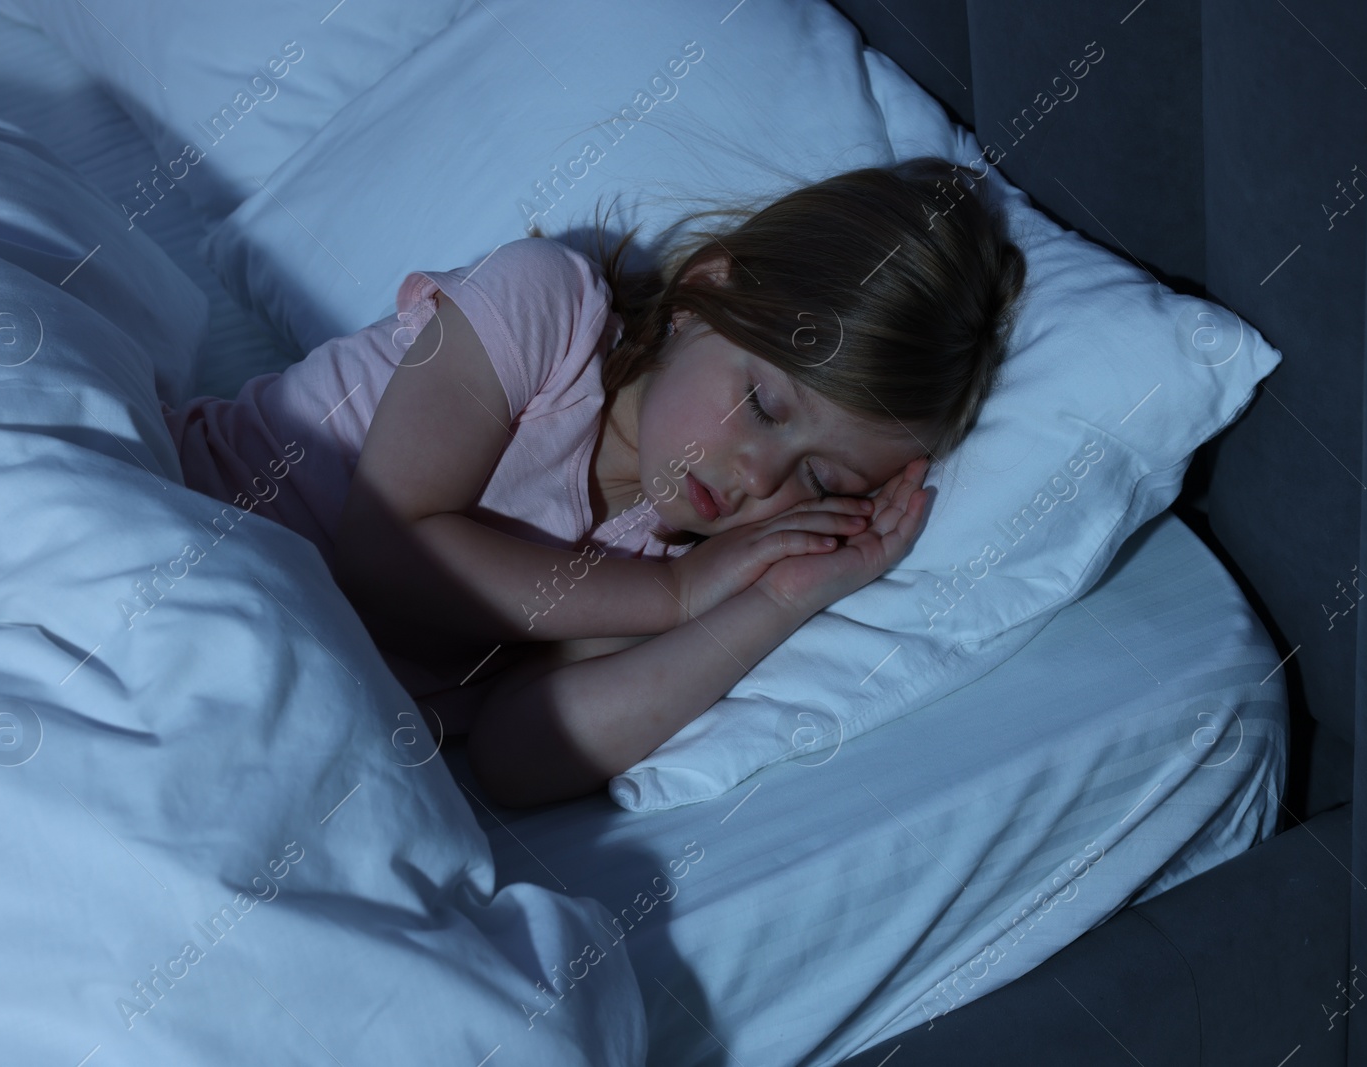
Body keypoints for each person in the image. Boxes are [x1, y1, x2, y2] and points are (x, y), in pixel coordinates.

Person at [161, 156, 1027, 806]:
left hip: (264, 685)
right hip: (184, 531)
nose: (758, 474)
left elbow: (518, 755)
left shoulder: (667, 555)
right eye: (762, 404)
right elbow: (386, 549)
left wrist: (775, 601)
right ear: (699, 294)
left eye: (820, 476)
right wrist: (675, 600)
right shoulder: (545, 311)